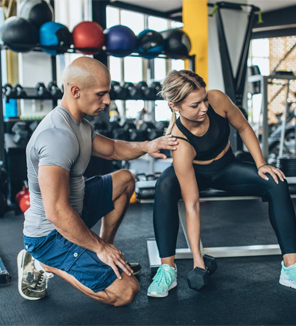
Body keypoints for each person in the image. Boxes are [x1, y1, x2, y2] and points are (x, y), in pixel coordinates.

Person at [147, 70, 296, 298]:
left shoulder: (218, 100)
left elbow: (243, 127)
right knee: (164, 185)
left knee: (275, 181)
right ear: (174, 106)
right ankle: (167, 268)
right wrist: (198, 260)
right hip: (194, 173)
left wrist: (261, 164)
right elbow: (192, 206)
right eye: (195, 105)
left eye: (204, 100)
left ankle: (291, 267)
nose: (204, 108)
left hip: (226, 168)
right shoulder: (178, 142)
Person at [18, 57, 178, 306]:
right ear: (75, 91)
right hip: (49, 235)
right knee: (125, 292)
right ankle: (40, 262)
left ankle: (103, 256)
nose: (108, 101)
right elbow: (57, 213)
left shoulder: (80, 125)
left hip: (76, 211)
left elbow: (113, 148)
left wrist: (148, 145)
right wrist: (99, 249)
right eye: (101, 94)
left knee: (125, 179)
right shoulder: (57, 136)